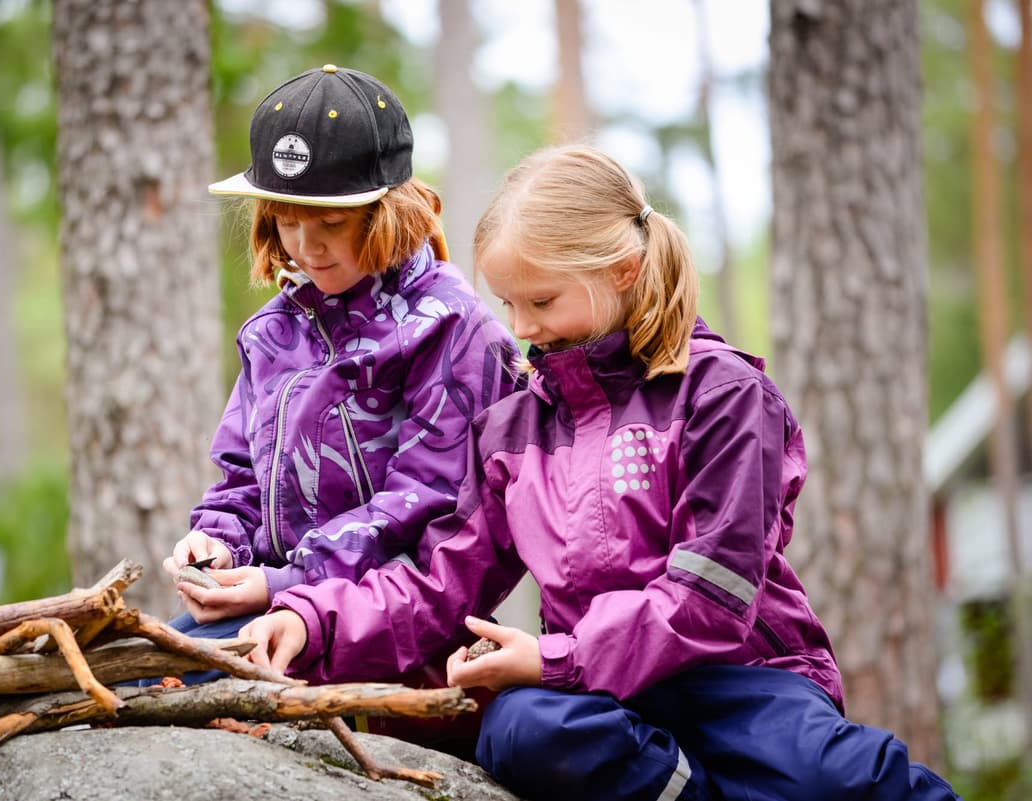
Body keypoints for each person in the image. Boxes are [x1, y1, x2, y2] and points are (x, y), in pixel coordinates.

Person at [240, 145, 961, 800]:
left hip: (742, 682)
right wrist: (312, 617)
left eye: (542, 300)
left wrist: (557, 656)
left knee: (827, 774)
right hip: (598, 701)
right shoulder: (515, 428)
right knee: (523, 731)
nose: (520, 326)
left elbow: (711, 597)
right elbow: (439, 582)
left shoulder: (723, 393)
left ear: (621, 270)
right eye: (508, 303)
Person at [158, 63, 519, 708]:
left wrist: (282, 584)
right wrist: (217, 540)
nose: (306, 247)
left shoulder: (453, 330)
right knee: (130, 675)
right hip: (277, 605)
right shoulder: (273, 332)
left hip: (384, 627)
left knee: (151, 688)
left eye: (330, 223)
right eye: (289, 222)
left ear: (387, 211)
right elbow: (242, 473)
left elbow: (430, 506)